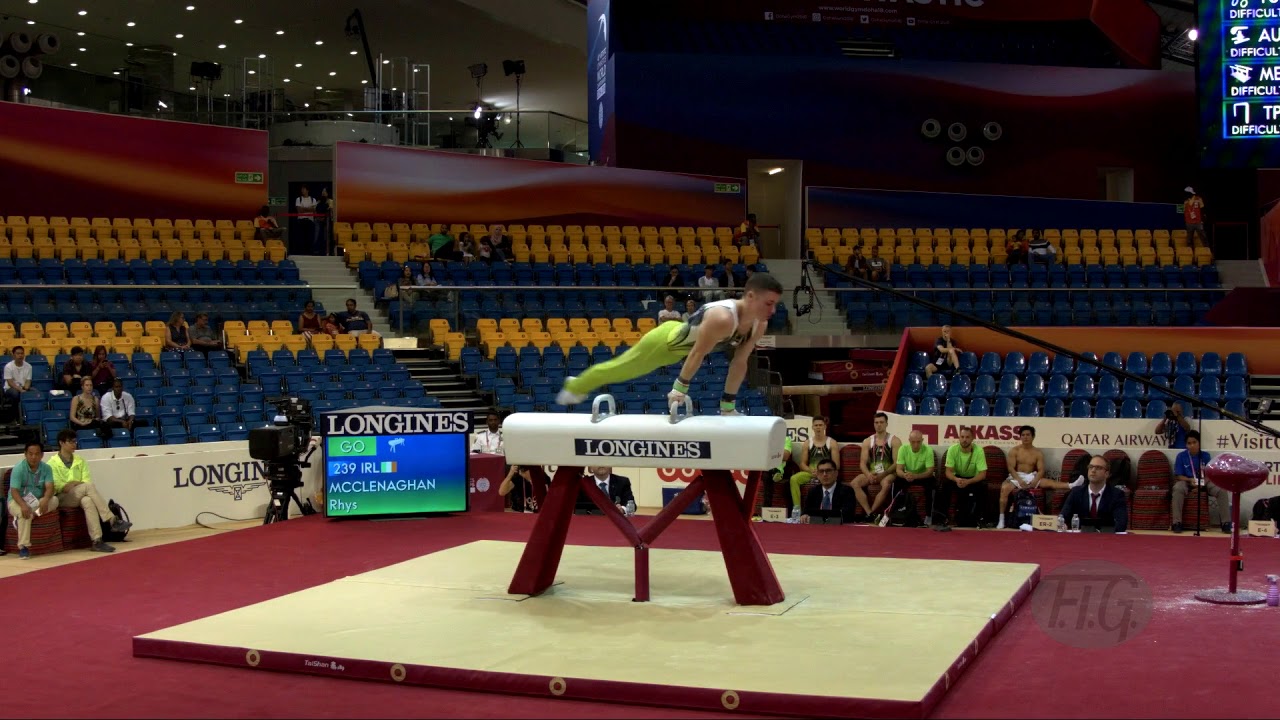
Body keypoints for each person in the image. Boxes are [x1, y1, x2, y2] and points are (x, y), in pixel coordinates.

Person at [555, 273, 783, 412]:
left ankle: (577, 385)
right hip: (663, 342)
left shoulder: (758, 323)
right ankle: (575, 386)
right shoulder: (722, 317)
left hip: (677, 350)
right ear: (750, 296)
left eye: (775, 305)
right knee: (618, 371)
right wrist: (679, 388)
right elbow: (697, 353)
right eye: (768, 303)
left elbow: (740, 363)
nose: (773, 310)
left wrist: (728, 406)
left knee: (621, 371)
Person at [48, 428, 130, 553]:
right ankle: (112, 520)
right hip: (62, 498)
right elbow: (59, 486)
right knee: (89, 487)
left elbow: (85, 480)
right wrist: (76, 483)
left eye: (75, 442)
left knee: (88, 501)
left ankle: (97, 540)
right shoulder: (52, 463)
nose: (74, 445)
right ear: (61, 443)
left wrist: (73, 484)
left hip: (79, 494)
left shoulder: (80, 461)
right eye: (70, 442)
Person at [997, 426, 1081, 529]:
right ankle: (1001, 519)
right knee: (1004, 489)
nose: (1025, 437)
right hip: (1016, 476)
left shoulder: (1038, 452)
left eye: (1028, 435)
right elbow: (1011, 468)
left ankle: (1071, 485)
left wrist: (1035, 481)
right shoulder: (1014, 451)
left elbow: (1041, 470)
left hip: (1030, 476)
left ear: (1033, 437)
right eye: (1023, 435)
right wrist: (1019, 480)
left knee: (1050, 483)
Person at [1170, 430, 1230, 534]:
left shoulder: (1206, 456)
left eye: (1194, 442)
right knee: (1177, 488)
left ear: (1199, 443)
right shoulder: (1181, 456)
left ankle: (1226, 523)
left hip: (1204, 482)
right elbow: (1179, 476)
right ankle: (1177, 522)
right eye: (1189, 443)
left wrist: (1200, 486)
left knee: (1221, 490)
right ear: (1186, 445)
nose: (1192, 445)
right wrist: (1190, 480)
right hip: (1187, 482)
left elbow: (1209, 475)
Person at [7, 440, 58, 560]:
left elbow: (50, 487)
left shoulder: (46, 468)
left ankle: (34, 514)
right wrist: (23, 505)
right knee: (24, 513)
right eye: (30, 454)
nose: (33, 457)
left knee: (54, 500)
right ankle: (24, 547)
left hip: (37, 501)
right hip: (17, 500)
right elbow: (14, 491)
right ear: (25, 454)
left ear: (42, 455)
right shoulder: (19, 468)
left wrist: (46, 498)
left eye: (37, 454)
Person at [932, 426, 988, 527]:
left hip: (972, 479)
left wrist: (968, 481)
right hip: (957, 478)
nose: (964, 440)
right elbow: (948, 472)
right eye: (962, 437)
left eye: (967, 437)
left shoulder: (979, 451)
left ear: (972, 438)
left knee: (983, 486)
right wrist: (956, 479)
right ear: (959, 438)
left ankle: (980, 518)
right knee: (945, 486)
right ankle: (942, 517)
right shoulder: (952, 449)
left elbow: (982, 474)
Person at [1059, 455, 1129, 533]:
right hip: (1080, 539)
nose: (1093, 470)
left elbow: (1121, 524)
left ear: (1106, 474)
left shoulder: (1117, 495)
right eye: (1091, 467)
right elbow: (1062, 517)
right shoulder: (1076, 492)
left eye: (1098, 468)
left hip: (1106, 540)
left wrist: (1099, 532)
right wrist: (1062, 524)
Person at [784, 416, 840, 511]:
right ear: (812, 427)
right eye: (816, 425)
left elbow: (836, 465)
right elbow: (802, 464)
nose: (818, 427)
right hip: (811, 472)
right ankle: (797, 509)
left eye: (820, 425)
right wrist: (811, 471)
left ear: (825, 427)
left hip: (827, 472)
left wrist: (823, 472)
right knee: (794, 479)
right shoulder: (807, 443)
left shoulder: (832, 443)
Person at [852, 412, 900, 521]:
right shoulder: (867, 441)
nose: (879, 425)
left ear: (886, 424)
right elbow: (862, 463)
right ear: (873, 424)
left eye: (881, 422)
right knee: (855, 483)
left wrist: (883, 474)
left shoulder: (894, 440)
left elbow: (896, 463)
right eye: (876, 422)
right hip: (872, 473)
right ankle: (869, 513)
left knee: (886, 484)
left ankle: (872, 511)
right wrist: (868, 475)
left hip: (888, 473)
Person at [892, 430, 936, 526]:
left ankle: (929, 515)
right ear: (909, 440)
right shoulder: (903, 449)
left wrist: (915, 476)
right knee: (896, 482)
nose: (916, 444)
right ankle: (896, 512)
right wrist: (905, 475)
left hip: (923, 476)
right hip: (907, 475)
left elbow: (929, 471)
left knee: (931, 484)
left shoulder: (928, 450)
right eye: (913, 442)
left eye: (918, 442)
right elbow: (898, 470)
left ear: (922, 440)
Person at [799, 459, 855, 524]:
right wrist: (804, 516)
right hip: (816, 530)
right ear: (817, 475)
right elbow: (806, 511)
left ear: (836, 473)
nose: (825, 474)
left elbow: (847, 517)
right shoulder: (813, 491)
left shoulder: (847, 491)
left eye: (828, 471)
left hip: (839, 530)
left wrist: (816, 520)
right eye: (821, 471)